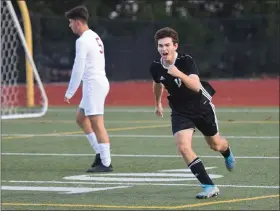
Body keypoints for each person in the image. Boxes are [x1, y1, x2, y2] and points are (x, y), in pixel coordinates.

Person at [149, 27, 236, 199]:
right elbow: (157, 83)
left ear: (175, 46)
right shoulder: (156, 66)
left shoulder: (186, 61)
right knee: (182, 146)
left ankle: (226, 151)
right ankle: (209, 186)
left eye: (167, 45)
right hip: (180, 110)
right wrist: (158, 103)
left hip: (201, 105)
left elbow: (196, 86)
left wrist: (177, 73)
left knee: (215, 145)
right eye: (160, 46)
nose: (163, 49)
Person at [64, 6, 113, 173]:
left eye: (70, 22)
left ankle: (106, 163)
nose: (69, 25)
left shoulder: (82, 40)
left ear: (78, 23)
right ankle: (100, 153)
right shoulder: (94, 36)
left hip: (94, 84)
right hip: (97, 82)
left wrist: (70, 91)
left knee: (96, 123)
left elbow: (79, 67)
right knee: (81, 118)